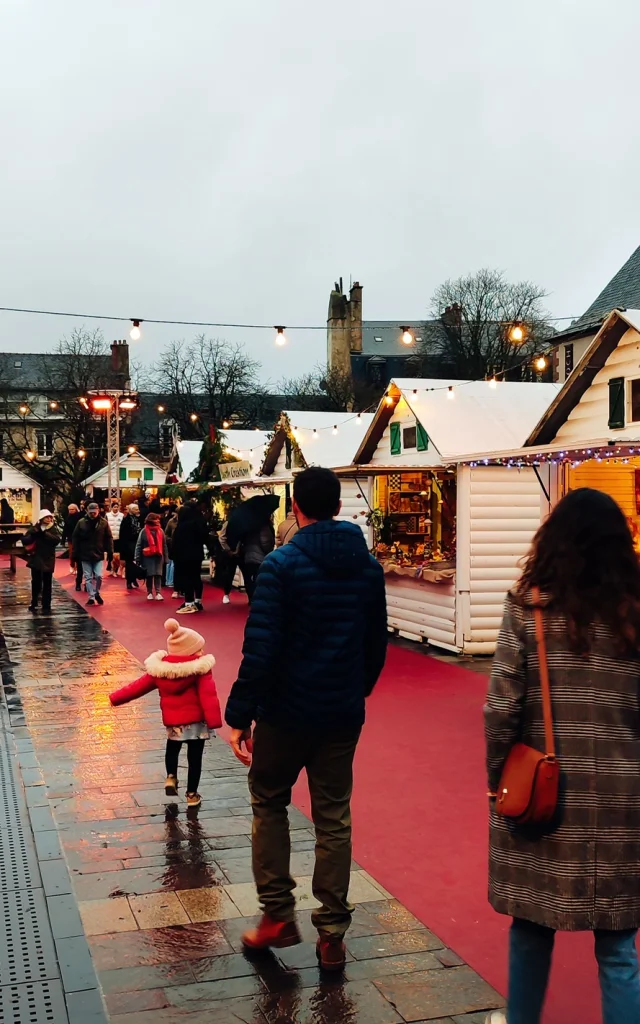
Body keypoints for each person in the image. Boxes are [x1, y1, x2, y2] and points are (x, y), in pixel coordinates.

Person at [484, 488, 640, 1024]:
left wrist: (495, 779)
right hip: (625, 797)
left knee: (530, 928)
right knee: (619, 946)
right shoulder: (635, 612)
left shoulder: (530, 608)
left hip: (546, 794)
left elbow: (501, 707)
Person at [225, 467, 388, 970]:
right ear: (338, 506)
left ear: (296, 507)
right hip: (340, 711)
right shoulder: (366, 567)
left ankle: (277, 913)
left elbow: (262, 648)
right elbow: (375, 643)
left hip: (286, 711)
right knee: (333, 816)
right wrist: (354, 689)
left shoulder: (282, 565)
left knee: (269, 800)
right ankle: (333, 930)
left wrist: (240, 713)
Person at [109, 617, 221, 808]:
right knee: (195, 758)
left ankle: (171, 776)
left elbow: (137, 687)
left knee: (172, 747)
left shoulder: (159, 670)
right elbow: (208, 695)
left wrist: (114, 698)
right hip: (196, 722)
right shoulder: (200, 669)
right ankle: (192, 794)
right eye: (199, 648)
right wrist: (214, 721)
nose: (202, 651)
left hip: (173, 721)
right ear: (190, 650)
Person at [72, 502, 113, 607]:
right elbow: (75, 538)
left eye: (94, 512)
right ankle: (91, 597)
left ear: (98, 510)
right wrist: (75, 553)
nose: (93, 514)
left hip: (98, 552)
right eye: (91, 512)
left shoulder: (103, 523)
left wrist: (110, 551)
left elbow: (109, 538)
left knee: (99, 576)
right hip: (84, 553)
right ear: (87, 511)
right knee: (88, 577)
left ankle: (96, 593)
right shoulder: (81, 522)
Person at [172, 503, 207, 615]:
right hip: (197, 555)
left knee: (187, 579)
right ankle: (198, 601)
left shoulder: (182, 526)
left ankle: (189, 602)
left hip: (184, 556)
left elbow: (176, 543)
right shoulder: (198, 523)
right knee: (196, 577)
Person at [24, 509, 60, 614]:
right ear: (41, 518)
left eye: (50, 517)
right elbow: (25, 540)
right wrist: (33, 535)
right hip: (36, 558)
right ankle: (34, 601)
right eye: (47, 517)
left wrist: (44, 534)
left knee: (47, 583)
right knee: (36, 582)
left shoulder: (52, 528)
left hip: (48, 559)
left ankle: (46, 604)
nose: (49, 519)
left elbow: (56, 540)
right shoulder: (34, 528)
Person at [239, 519, 275, 603]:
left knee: (249, 578)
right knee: (259, 577)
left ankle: (251, 597)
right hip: (260, 556)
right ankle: (258, 597)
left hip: (248, 554)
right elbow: (265, 542)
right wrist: (269, 550)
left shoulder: (248, 525)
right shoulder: (263, 526)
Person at [135, 512, 168, 600]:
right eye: (156, 519)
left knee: (158, 575)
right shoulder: (143, 531)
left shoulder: (161, 531)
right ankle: (149, 592)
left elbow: (164, 545)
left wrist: (166, 557)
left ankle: (158, 592)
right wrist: (137, 557)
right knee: (149, 575)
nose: (158, 521)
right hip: (147, 556)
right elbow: (139, 545)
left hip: (158, 556)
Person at [216, 520, 240, 605]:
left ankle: (250, 595)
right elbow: (222, 537)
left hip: (242, 551)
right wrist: (228, 549)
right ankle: (226, 593)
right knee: (230, 573)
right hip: (231, 551)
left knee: (247, 574)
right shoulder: (229, 523)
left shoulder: (246, 523)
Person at [61, 503, 84, 590]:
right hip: (71, 538)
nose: (71, 511)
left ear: (76, 509)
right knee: (71, 552)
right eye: (69, 510)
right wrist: (63, 539)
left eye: (72, 509)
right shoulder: (68, 518)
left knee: (77, 553)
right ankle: (72, 565)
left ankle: (77, 567)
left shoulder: (80, 517)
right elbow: (65, 529)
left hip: (79, 538)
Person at [120, 503, 142, 590]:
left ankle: (134, 578)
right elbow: (123, 534)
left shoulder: (139, 519)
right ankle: (129, 581)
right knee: (129, 563)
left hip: (138, 543)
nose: (138, 511)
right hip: (129, 544)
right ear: (131, 510)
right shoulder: (126, 520)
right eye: (136, 509)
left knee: (137, 562)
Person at [105, 500, 125, 577]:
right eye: (114, 507)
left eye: (117, 507)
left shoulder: (122, 515)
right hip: (110, 538)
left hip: (119, 538)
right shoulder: (107, 515)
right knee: (110, 554)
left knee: (117, 556)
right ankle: (110, 568)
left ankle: (116, 570)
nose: (116, 508)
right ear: (111, 507)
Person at [164, 507, 179, 593]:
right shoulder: (171, 522)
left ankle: (172, 581)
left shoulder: (182, 522)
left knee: (173, 564)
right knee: (170, 563)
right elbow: (166, 534)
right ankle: (169, 581)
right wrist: (170, 540)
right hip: (172, 545)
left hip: (180, 545)